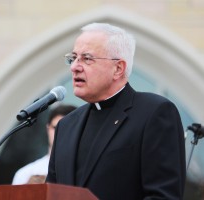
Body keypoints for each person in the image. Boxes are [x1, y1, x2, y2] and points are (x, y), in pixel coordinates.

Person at [46, 23, 186, 200]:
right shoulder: (66, 125)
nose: (74, 67)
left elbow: (163, 196)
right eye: (73, 58)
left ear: (118, 68)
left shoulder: (154, 112)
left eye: (87, 58)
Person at [12, 104, 76, 185]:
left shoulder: (85, 171)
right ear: (48, 128)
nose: (61, 133)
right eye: (56, 128)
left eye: (67, 128)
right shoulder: (25, 174)